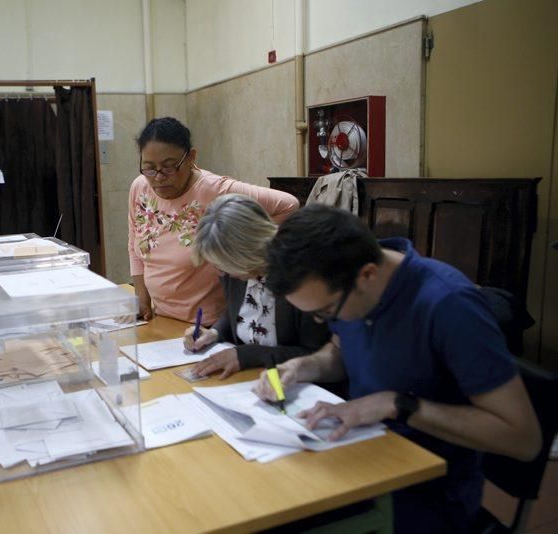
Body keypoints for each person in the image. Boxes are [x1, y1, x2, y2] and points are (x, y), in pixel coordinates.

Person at [253, 204, 541, 533]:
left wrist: (398, 404)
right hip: (361, 456)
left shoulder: (449, 306)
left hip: (429, 490)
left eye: (328, 311)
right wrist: (302, 366)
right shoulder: (350, 280)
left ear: (368, 275)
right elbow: (339, 352)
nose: (324, 321)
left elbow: (523, 439)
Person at [128, 117, 299, 325]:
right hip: (161, 317)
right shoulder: (140, 188)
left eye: (169, 167)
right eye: (149, 168)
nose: (158, 177)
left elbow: (288, 205)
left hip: (209, 324)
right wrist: (141, 299)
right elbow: (133, 244)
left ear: (191, 157)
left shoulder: (215, 189)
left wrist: (244, 255)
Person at [181, 194, 330, 379]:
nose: (222, 273)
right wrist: (214, 332)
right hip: (247, 379)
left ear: (247, 252)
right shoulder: (235, 273)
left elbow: (317, 353)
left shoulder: (300, 276)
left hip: (294, 384)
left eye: (225, 266)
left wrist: (247, 356)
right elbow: (236, 313)